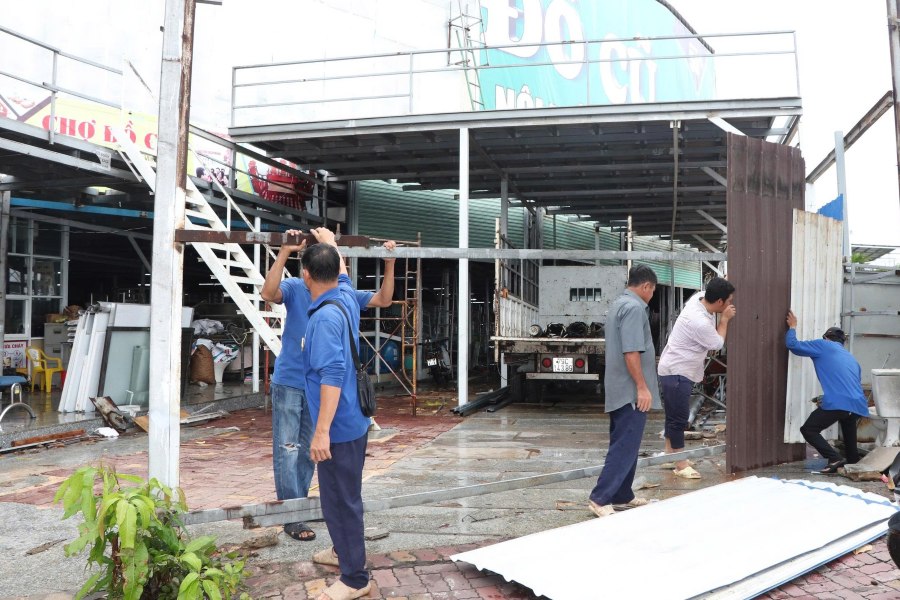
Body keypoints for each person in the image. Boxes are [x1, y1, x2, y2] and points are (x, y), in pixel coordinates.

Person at [260, 228, 395, 542]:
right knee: (287, 448)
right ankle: (291, 514)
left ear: (309, 271)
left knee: (310, 449)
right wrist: (284, 252)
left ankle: (299, 505)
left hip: (318, 386)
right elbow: (268, 293)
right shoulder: (296, 287)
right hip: (290, 380)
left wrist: (389, 265)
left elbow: (383, 299)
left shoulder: (339, 294)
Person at [302, 243, 371, 600]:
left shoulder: (325, 318)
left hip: (338, 427)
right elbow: (343, 274)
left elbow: (331, 375)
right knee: (345, 497)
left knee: (341, 502)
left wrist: (321, 433)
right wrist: (330, 242)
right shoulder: (344, 297)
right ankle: (342, 552)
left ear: (306, 276)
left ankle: (355, 579)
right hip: (353, 419)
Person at [588, 265, 661, 518]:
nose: (652, 295)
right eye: (653, 291)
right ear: (646, 286)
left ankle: (622, 494)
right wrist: (642, 387)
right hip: (630, 390)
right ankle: (600, 497)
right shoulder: (633, 308)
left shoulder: (619, 304)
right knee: (624, 445)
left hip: (620, 387)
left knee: (627, 443)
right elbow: (631, 352)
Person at [657, 277, 736, 479]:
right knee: (679, 419)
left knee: (673, 415)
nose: (731, 304)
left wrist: (723, 282)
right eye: (729, 301)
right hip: (677, 371)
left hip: (675, 369)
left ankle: (669, 454)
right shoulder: (699, 322)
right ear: (719, 302)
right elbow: (717, 344)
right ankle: (680, 464)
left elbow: (708, 291)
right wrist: (725, 320)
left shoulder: (698, 299)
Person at [785, 310, 868, 474]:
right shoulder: (851, 358)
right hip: (858, 404)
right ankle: (853, 464)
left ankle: (834, 458)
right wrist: (825, 397)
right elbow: (850, 385)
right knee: (848, 428)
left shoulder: (823, 345)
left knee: (809, 429)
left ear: (826, 338)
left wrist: (792, 327)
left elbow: (792, 345)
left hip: (839, 402)